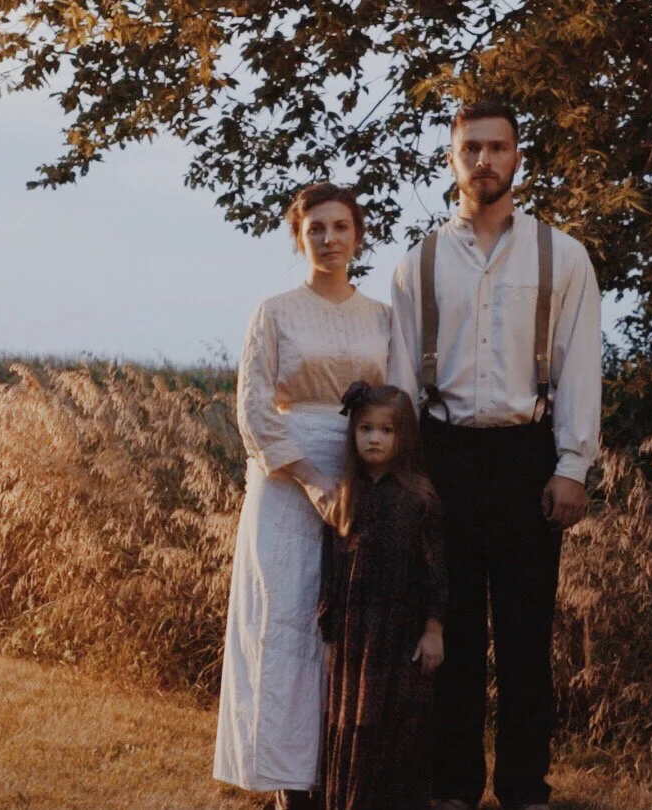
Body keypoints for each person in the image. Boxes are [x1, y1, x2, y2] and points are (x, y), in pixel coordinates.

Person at [386, 100, 602, 810]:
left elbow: (579, 366)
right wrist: (403, 477)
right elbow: (399, 383)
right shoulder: (417, 263)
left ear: (518, 158)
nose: (484, 160)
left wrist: (571, 466)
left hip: (525, 456)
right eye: (471, 148)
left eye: (497, 147)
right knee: (447, 630)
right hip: (442, 455)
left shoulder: (561, 256)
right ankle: (452, 787)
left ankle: (523, 788)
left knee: (525, 635)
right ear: (452, 160)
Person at [215, 182, 391, 810]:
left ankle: (347, 774)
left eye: (340, 227)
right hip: (288, 476)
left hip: (361, 472)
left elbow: (395, 403)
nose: (329, 238)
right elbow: (254, 406)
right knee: (287, 621)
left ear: (357, 236)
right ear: (299, 238)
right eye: (315, 228)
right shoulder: (275, 312)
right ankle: (292, 783)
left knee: (349, 627)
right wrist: (312, 478)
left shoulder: (381, 317)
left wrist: (375, 477)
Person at [316, 381, 449, 810]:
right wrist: (330, 634)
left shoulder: (419, 499)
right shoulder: (344, 497)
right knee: (353, 718)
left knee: (396, 723)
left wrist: (433, 630)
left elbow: (435, 571)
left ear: (403, 436)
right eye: (366, 429)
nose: (374, 438)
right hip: (354, 634)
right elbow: (331, 571)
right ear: (353, 433)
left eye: (386, 430)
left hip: (399, 635)